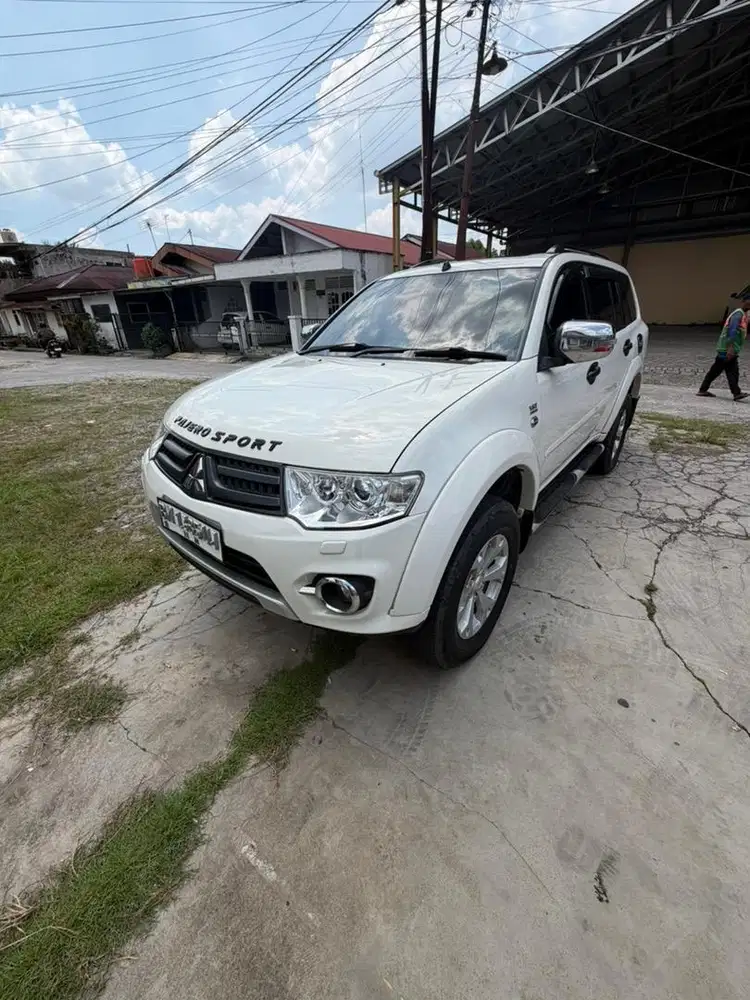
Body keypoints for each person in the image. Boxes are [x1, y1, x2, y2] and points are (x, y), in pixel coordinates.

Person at [697, 296, 750, 401]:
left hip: (728, 348)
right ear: (743, 302)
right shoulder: (738, 315)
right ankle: (736, 393)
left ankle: (735, 393)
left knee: (723, 370)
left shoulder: (742, 315)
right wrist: (730, 348)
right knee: (728, 370)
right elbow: (732, 330)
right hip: (727, 349)